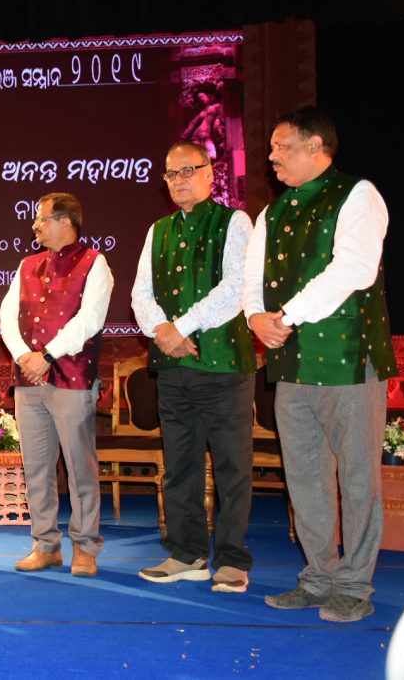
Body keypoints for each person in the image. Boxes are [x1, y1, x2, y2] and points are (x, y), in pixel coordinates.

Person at [243, 107, 397, 622]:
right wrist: (255, 318)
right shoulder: (273, 211)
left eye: (280, 146)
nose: (272, 156)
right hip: (292, 363)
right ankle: (318, 576)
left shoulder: (359, 195)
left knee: (357, 478)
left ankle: (354, 584)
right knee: (304, 476)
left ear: (316, 146)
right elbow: (251, 277)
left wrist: (286, 315)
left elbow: (354, 266)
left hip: (349, 361)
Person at [130, 141, 256, 592]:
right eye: (171, 173)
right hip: (172, 366)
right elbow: (140, 294)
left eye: (189, 170)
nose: (180, 180)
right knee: (180, 465)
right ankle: (187, 554)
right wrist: (162, 331)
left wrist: (180, 326)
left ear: (210, 173)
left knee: (231, 466)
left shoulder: (234, 221)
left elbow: (236, 286)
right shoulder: (157, 229)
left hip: (222, 365)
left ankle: (233, 560)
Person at [0, 192, 112, 577]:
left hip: (72, 379)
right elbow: (6, 315)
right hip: (28, 380)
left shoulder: (95, 263)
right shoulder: (26, 264)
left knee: (80, 468)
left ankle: (85, 548)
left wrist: (45, 356)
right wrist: (23, 358)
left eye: (42, 219)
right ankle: (45, 545)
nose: (35, 225)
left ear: (66, 221)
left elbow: (90, 319)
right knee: (37, 468)